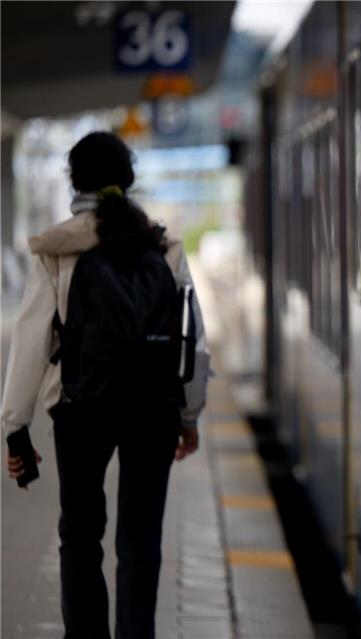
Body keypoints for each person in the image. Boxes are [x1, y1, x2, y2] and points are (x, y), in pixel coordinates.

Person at [2, 131, 210, 639]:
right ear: (128, 179)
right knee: (140, 544)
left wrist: (15, 429)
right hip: (153, 408)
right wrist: (188, 416)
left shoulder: (55, 249)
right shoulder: (163, 245)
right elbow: (193, 342)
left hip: (80, 408)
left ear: (75, 181)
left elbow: (30, 340)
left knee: (79, 536)